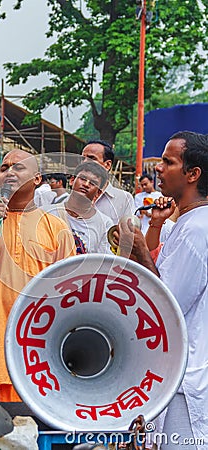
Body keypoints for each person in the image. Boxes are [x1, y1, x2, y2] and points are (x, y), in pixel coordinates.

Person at [0, 149, 76, 402]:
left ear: (37, 179)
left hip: (38, 354)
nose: (9, 171)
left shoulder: (56, 228)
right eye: (4, 168)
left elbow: (69, 294)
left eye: (18, 167)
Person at [117, 131, 208, 449]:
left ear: (193, 174)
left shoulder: (197, 229)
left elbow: (167, 306)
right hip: (182, 373)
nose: (158, 167)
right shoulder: (189, 223)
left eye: (168, 162)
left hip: (189, 379)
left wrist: (141, 251)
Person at [47, 162, 113, 254]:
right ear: (72, 181)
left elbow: (102, 262)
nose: (86, 184)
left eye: (93, 183)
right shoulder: (47, 213)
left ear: (98, 193)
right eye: (83, 179)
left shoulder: (105, 224)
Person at [81, 140, 135, 224]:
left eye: (91, 158)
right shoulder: (74, 197)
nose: (84, 162)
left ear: (107, 165)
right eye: (82, 159)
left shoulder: (124, 199)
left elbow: (129, 233)